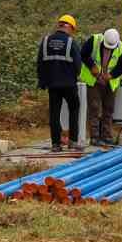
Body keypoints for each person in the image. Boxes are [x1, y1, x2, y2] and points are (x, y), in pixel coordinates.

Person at [36, 14, 83, 152]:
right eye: (72, 29)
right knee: (74, 109)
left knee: (54, 113)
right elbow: (78, 65)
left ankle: (56, 144)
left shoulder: (45, 41)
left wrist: (42, 81)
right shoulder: (70, 42)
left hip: (52, 84)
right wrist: (74, 76)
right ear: (69, 27)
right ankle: (73, 142)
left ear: (60, 25)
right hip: (69, 84)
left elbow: (40, 63)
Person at [80, 27, 122, 146]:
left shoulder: (121, 47)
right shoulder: (94, 40)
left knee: (109, 109)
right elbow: (83, 54)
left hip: (110, 82)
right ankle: (94, 137)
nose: (108, 48)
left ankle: (106, 136)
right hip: (93, 80)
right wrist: (92, 67)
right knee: (94, 108)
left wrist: (110, 76)